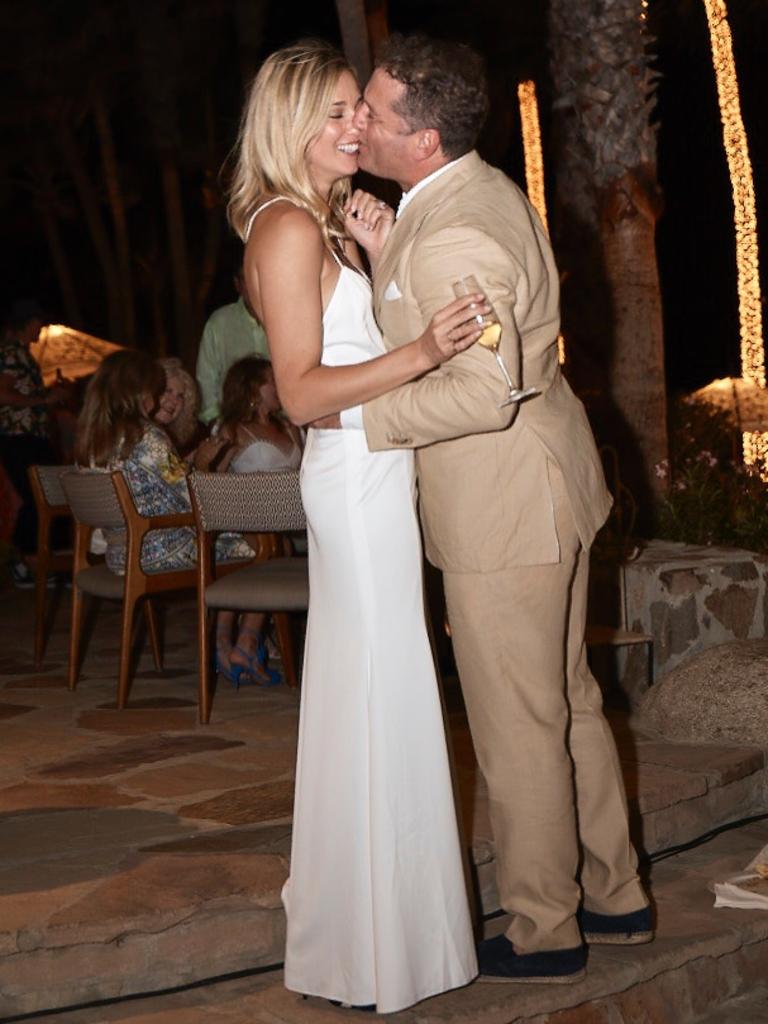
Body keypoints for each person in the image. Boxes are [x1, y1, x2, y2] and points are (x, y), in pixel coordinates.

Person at [339, 33, 652, 984]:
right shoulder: (464, 196)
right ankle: (617, 895)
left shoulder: (459, 227)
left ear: (423, 139)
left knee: (518, 727)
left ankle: (544, 928)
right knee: (567, 705)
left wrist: (364, 411)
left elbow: (480, 392)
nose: (360, 124)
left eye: (376, 114)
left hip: (504, 515)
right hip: (542, 493)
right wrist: (391, 255)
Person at [228, 40, 484, 1013]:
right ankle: (375, 946)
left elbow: (344, 351)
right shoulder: (288, 227)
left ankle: (385, 942)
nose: (354, 127)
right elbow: (297, 395)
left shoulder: (326, 225)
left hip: (379, 475)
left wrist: (380, 260)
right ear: (288, 124)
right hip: (349, 483)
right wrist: (421, 350)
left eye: (356, 109)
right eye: (334, 112)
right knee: (377, 697)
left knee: (385, 700)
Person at [75, 350, 252, 580]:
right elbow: (195, 499)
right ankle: (215, 615)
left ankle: (218, 616)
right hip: (157, 553)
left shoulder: (91, 438)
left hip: (119, 553)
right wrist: (202, 464)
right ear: (139, 390)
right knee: (261, 544)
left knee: (244, 537)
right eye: (157, 387)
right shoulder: (147, 436)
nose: (158, 393)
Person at [195, 356, 302, 686]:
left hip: (294, 518)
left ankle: (230, 640)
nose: (280, 384)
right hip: (244, 518)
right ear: (254, 388)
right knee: (266, 546)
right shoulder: (230, 430)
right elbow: (214, 480)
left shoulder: (290, 425)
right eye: (274, 379)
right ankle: (243, 641)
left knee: (273, 544)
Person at [0, 299, 70, 588]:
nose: (42, 329)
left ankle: (40, 564)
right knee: (34, 498)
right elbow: (2, 394)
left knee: (46, 496)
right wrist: (44, 400)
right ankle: (32, 566)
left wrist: (48, 395)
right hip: (19, 438)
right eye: (39, 323)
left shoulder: (22, 354)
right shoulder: (10, 353)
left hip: (30, 437)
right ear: (28, 322)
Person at [196, 262, 271, 426]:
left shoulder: (285, 318)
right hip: (233, 425)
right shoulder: (220, 322)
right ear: (237, 284)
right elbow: (206, 378)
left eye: (259, 278)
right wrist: (217, 423)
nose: (255, 286)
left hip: (281, 423)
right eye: (247, 280)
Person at [156, 358, 203, 457]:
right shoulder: (136, 433)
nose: (174, 401)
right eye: (168, 391)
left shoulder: (175, 443)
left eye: (180, 396)